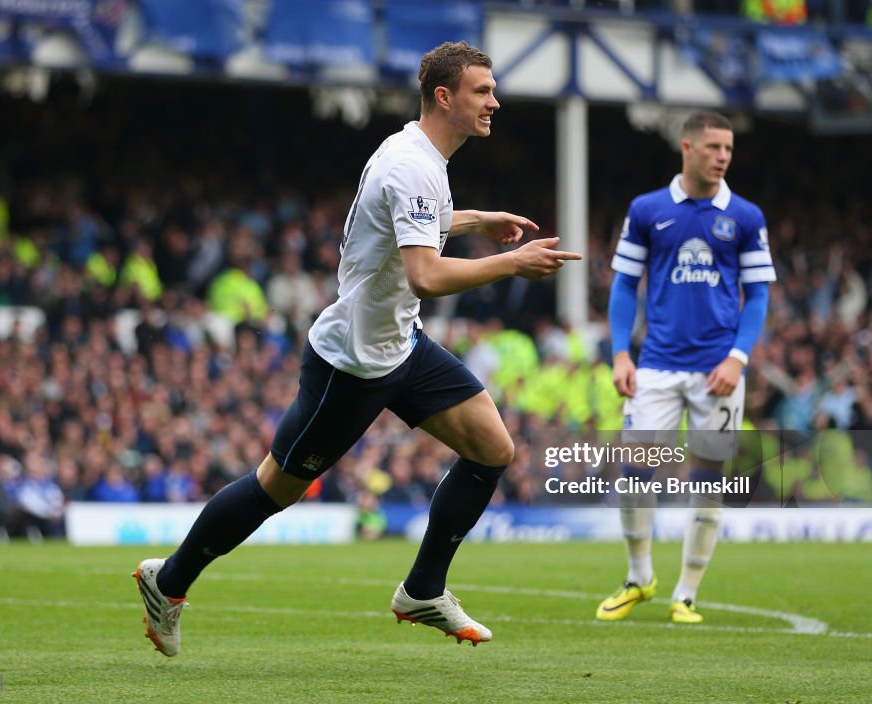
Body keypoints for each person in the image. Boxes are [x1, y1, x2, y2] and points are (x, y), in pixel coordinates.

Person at [134, 41, 581, 657]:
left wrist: (478, 219)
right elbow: (425, 274)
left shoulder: (421, 156)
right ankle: (169, 580)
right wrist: (511, 262)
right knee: (276, 489)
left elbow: (418, 222)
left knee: (492, 449)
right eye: (483, 91)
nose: (495, 101)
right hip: (353, 363)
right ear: (445, 97)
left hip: (401, 344)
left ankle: (422, 590)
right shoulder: (411, 164)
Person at [598, 111, 775, 624]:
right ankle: (638, 577)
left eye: (729, 149)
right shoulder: (648, 209)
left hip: (717, 369)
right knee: (635, 472)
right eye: (714, 147)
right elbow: (624, 286)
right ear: (688, 148)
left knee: (708, 478)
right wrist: (620, 353)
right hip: (655, 365)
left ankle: (687, 593)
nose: (723, 156)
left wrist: (737, 359)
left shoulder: (745, 216)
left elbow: (758, 295)